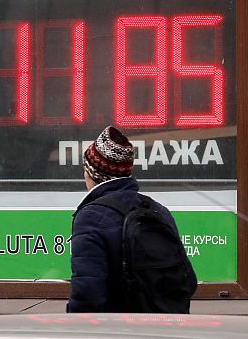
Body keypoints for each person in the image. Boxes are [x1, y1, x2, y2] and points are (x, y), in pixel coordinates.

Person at [68, 126, 197, 313]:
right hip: (167, 325)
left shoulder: (90, 218)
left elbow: (87, 294)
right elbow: (188, 280)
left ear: (92, 173)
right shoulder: (157, 210)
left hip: (119, 329)